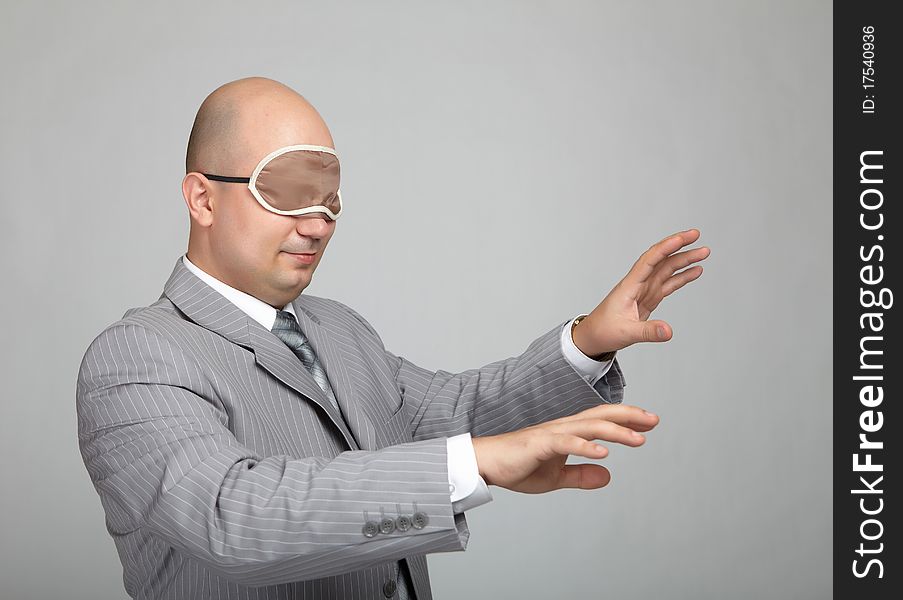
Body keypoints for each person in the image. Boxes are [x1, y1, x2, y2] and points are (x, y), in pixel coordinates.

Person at [76, 76, 709, 600]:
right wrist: (474, 463)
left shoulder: (340, 331)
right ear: (202, 198)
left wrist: (587, 342)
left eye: (328, 201)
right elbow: (234, 517)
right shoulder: (137, 357)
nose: (317, 225)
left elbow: (454, 411)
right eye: (289, 192)